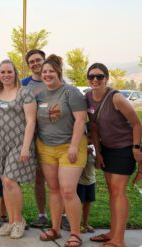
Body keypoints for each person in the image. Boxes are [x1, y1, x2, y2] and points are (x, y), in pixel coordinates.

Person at [85, 63, 142, 247]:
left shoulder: (116, 98)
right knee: (112, 192)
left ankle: (119, 239)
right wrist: (98, 152)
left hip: (124, 149)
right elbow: (93, 126)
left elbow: (136, 123)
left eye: (99, 76)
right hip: (106, 149)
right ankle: (113, 232)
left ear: (106, 79)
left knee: (118, 192)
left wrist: (136, 147)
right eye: (92, 76)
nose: (95, 79)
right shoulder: (88, 97)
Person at [36, 55, 87, 247]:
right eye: (44, 72)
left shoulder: (70, 92)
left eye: (50, 71)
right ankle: (55, 229)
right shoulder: (40, 95)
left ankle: (75, 233)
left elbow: (81, 120)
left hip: (70, 146)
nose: (47, 74)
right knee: (54, 189)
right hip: (47, 148)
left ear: (58, 73)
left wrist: (74, 145)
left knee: (67, 190)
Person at [0, 60, 37, 239]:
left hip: (19, 143)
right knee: (4, 183)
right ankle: (10, 222)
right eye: (2, 72)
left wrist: (26, 147)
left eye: (9, 71)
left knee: (10, 181)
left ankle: (18, 221)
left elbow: (31, 121)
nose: (6, 75)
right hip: (0, 144)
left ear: (15, 73)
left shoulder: (25, 93)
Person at [22, 49, 50, 228]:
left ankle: (62, 214)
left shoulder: (57, 79)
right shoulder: (24, 84)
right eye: (31, 62)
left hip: (57, 136)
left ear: (44, 61)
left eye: (38, 60)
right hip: (34, 137)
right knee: (39, 177)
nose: (35, 64)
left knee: (59, 179)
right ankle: (42, 214)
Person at [77, 130, 96, 234]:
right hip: (80, 182)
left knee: (88, 203)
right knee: (79, 204)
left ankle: (85, 223)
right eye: (89, 138)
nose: (91, 141)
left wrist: (95, 156)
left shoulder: (94, 149)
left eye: (93, 138)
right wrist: (84, 152)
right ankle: (77, 224)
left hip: (91, 181)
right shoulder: (80, 149)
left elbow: (97, 166)